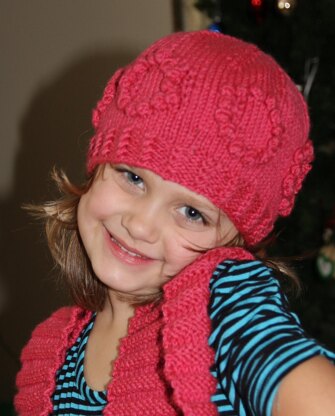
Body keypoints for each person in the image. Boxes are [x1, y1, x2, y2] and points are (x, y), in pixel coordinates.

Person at [15, 30, 335, 416]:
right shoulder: (50, 348)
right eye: (132, 178)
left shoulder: (222, 307)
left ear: (234, 243)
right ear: (96, 164)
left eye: (192, 213)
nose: (141, 225)